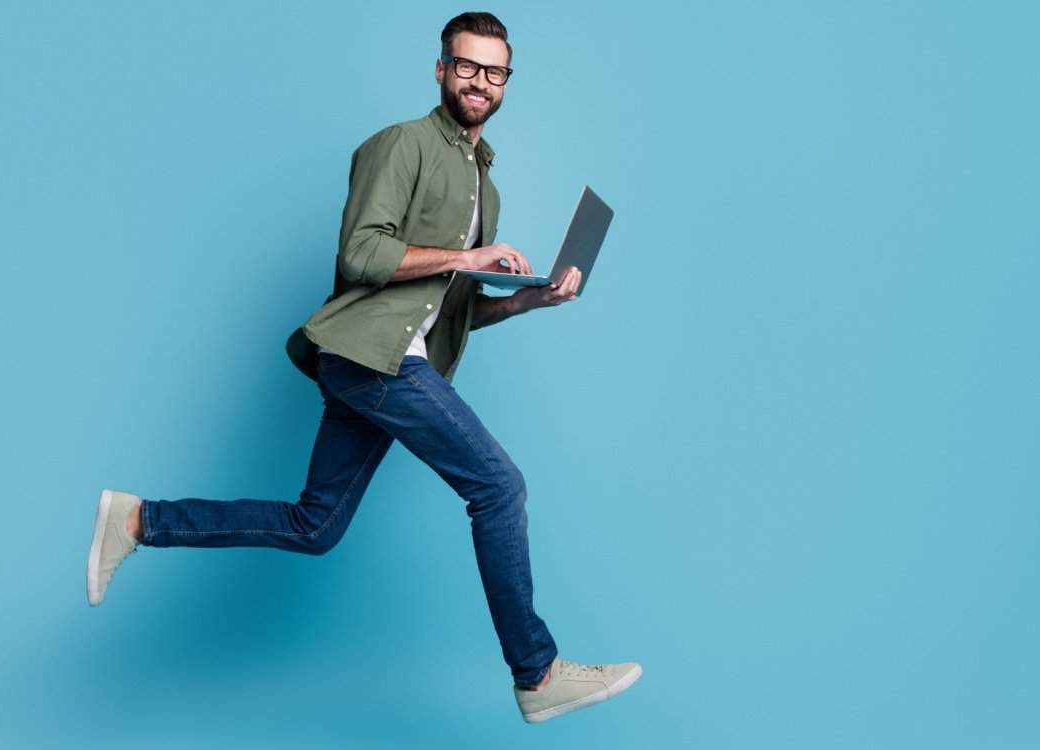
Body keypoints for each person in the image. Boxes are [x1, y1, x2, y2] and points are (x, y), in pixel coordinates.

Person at [85, 12, 641, 724]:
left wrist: (530, 301)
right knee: (499, 488)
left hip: (382, 360)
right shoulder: (400, 145)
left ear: (507, 82)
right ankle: (536, 674)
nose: (479, 81)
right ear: (440, 69)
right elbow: (363, 254)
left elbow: (455, 313)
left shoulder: (484, 184)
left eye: (493, 71)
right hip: (372, 360)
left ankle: (138, 520)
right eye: (466, 66)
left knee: (315, 526)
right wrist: (466, 256)